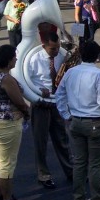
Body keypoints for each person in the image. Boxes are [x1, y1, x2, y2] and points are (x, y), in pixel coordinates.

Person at [55, 40, 100, 200]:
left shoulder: (71, 72)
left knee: (79, 163)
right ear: (96, 56)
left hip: (75, 121)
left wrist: (66, 115)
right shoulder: (99, 75)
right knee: (95, 165)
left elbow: (59, 95)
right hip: (95, 122)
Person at [24, 24, 72, 190]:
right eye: (53, 49)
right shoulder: (33, 58)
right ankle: (43, 174)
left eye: (58, 47)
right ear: (44, 45)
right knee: (41, 141)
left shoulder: (61, 55)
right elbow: (24, 81)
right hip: (41, 103)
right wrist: (38, 91)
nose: (56, 51)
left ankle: (70, 171)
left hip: (57, 102)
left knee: (62, 139)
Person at [0, 44, 30, 200]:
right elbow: (19, 101)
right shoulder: (7, 79)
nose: (16, 59)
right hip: (8, 123)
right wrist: (27, 112)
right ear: (8, 59)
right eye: (14, 57)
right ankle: (7, 199)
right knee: (7, 163)